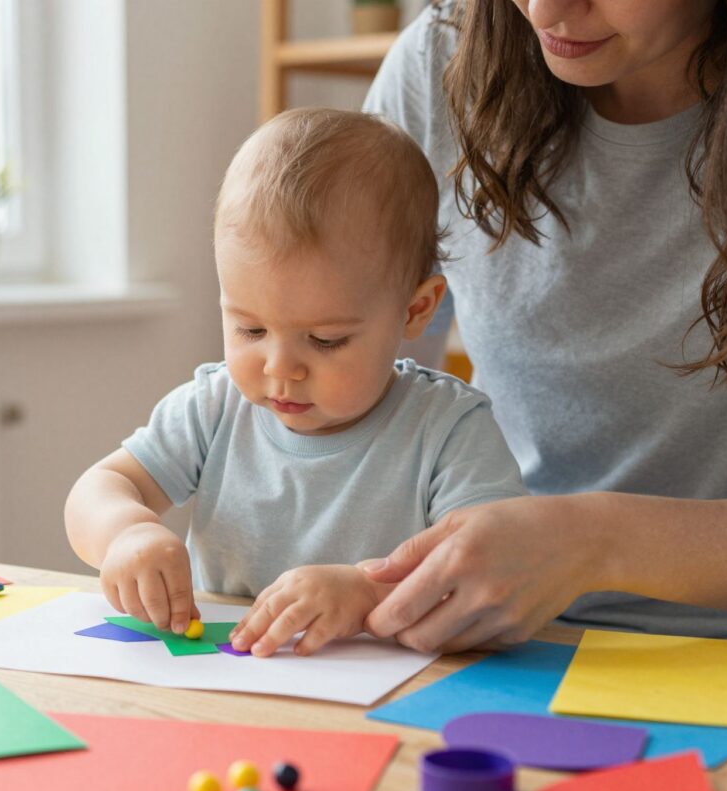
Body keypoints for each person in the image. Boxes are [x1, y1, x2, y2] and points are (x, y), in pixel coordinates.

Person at [357, 0, 727, 651]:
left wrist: (591, 541)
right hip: (495, 640)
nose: (546, 9)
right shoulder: (442, 60)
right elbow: (353, 377)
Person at [65, 107, 527, 657]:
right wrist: (125, 532)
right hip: (224, 685)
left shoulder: (448, 430)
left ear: (414, 310)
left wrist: (364, 594)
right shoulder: (215, 408)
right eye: (250, 328)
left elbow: (495, 572)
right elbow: (98, 489)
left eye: (326, 340)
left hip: (385, 698)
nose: (279, 367)